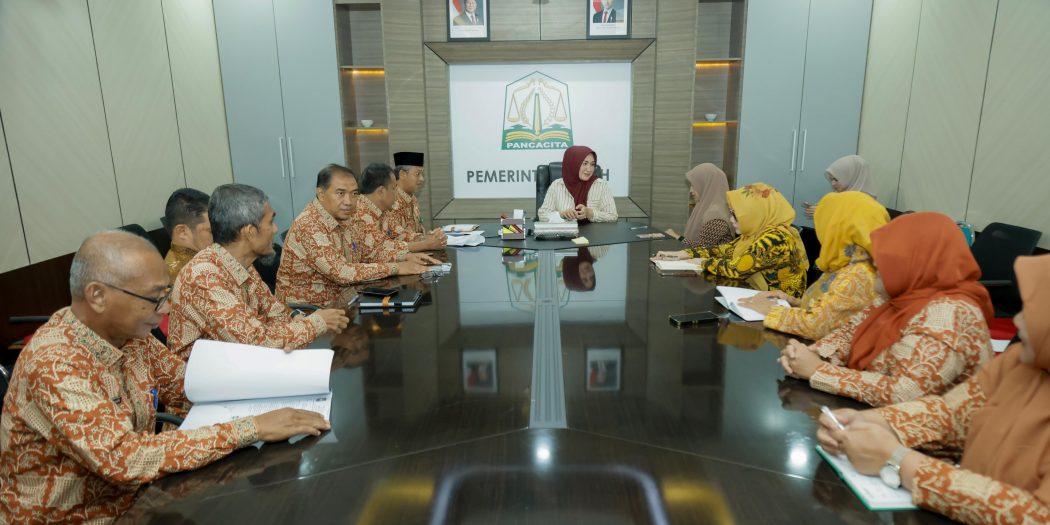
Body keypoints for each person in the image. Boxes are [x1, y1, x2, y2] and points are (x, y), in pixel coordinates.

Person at [0, 231, 330, 524]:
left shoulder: (131, 337)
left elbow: (188, 385)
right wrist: (252, 427)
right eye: (155, 298)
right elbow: (125, 458)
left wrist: (280, 388)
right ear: (98, 296)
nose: (166, 308)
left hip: (138, 500)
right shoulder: (55, 362)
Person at [816, 253, 1050, 524]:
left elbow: (1037, 516)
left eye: (1032, 311)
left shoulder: (952, 312)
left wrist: (899, 462)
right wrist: (871, 422)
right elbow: (952, 415)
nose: (1017, 322)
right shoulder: (1021, 362)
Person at [778, 212, 994, 407]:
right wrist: (809, 356)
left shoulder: (950, 315)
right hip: (873, 421)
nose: (875, 263)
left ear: (918, 262)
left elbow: (906, 393)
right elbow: (847, 335)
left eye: (888, 257)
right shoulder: (898, 296)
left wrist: (819, 371)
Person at [167, 184, 349, 360]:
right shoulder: (203, 275)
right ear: (250, 232)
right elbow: (255, 343)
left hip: (244, 367)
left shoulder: (241, 264)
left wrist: (294, 332)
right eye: (270, 222)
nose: (275, 229)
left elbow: (276, 315)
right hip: (209, 377)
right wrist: (317, 323)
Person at [738, 191, 889, 340]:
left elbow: (816, 326)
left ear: (838, 228)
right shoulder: (849, 261)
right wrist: (792, 302)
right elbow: (831, 312)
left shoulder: (859, 273)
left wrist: (771, 311)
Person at [276, 164, 430, 305]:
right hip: (308, 311)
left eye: (354, 193)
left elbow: (370, 253)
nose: (349, 201)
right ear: (321, 194)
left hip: (343, 301)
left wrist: (405, 256)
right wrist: (396, 268)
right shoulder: (309, 224)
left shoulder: (346, 217)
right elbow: (342, 273)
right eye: (340, 193)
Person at [653, 183, 809, 298]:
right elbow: (723, 250)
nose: (731, 220)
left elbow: (737, 269)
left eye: (736, 215)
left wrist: (701, 262)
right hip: (759, 295)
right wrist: (684, 253)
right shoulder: (755, 232)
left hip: (780, 306)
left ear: (755, 213)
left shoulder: (775, 238)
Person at [349, 163, 443, 267]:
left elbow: (398, 235)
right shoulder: (360, 212)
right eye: (394, 188)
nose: (396, 193)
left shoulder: (380, 209)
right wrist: (425, 245)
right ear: (381, 191)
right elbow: (374, 254)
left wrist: (425, 238)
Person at [537, 145, 618, 223]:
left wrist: (590, 213)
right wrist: (562, 215)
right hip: (565, 231)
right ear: (573, 164)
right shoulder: (557, 185)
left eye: (592, 164)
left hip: (593, 232)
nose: (589, 169)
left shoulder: (601, 185)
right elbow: (542, 215)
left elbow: (612, 216)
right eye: (585, 163)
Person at [384, 151, 447, 251]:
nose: (422, 179)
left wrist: (431, 236)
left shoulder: (412, 198)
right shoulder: (391, 200)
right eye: (417, 174)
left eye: (422, 174)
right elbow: (396, 237)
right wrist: (427, 240)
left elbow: (417, 231)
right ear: (402, 174)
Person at [663, 163, 735, 250]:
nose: (691, 190)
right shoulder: (705, 206)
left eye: (694, 185)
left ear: (707, 185)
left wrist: (677, 237)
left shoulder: (716, 216)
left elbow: (702, 249)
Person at [162, 188, 212, 282]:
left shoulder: (202, 256)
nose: (220, 235)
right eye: (211, 231)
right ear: (182, 232)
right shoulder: (186, 275)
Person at [803, 155, 875, 218]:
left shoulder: (866, 204)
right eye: (831, 179)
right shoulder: (840, 195)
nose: (833, 184)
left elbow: (850, 221)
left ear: (851, 177)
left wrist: (823, 212)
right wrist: (819, 208)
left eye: (836, 179)